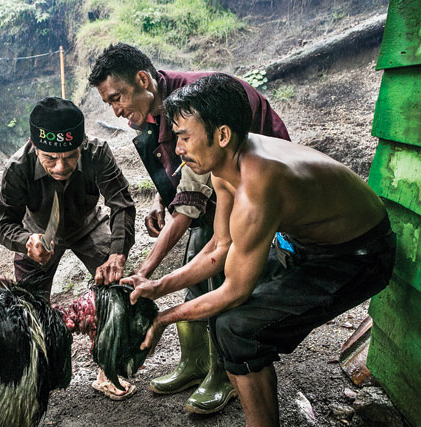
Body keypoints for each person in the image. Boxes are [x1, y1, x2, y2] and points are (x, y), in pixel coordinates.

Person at [123, 74, 396, 426]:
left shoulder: (258, 186)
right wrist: (157, 287)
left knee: (236, 328)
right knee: (227, 320)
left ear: (221, 134)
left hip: (359, 255)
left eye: (184, 138)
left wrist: (164, 317)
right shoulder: (225, 166)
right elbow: (218, 250)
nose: (177, 149)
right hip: (308, 244)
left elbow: (236, 291)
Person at [88, 42, 290, 413]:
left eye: (117, 98)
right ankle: (194, 362)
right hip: (217, 184)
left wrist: (145, 271)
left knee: (215, 265)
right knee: (197, 256)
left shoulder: (189, 105)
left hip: (253, 182)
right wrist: (161, 199)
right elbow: (182, 180)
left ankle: (222, 373)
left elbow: (190, 202)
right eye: (109, 104)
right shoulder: (153, 112)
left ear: (143, 80)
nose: (115, 111)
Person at [0, 96, 137, 400]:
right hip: (38, 236)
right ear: (35, 148)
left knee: (117, 289)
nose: (61, 167)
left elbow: (121, 204)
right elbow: (4, 225)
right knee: (29, 310)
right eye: (50, 159)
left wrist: (116, 253)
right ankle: (36, 375)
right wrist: (26, 242)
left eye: (70, 157)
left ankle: (108, 369)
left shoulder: (98, 153)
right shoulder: (17, 168)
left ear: (82, 144)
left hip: (89, 225)